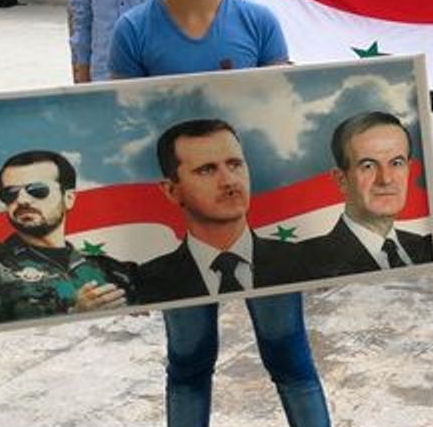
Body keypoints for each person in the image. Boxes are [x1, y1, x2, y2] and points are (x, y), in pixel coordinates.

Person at [108, 0, 346, 427]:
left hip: (260, 227)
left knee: (289, 358)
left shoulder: (258, 24)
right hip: (178, 235)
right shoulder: (135, 33)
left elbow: (282, 121)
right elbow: (122, 133)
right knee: (187, 363)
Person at [132, 120, 307, 303]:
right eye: (206, 170)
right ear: (172, 191)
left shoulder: (305, 262)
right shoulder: (145, 284)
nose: (229, 181)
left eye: (234, 164)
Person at [0, 150, 133, 325]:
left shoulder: (114, 271)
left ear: (68, 198)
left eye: (37, 190)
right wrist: (75, 317)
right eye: (10, 193)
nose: (22, 200)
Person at [300, 112, 433, 275]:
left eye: (397, 163)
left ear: (409, 170)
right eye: (368, 166)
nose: (385, 179)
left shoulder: (429, 247)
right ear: (341, 180)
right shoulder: (303, 262)